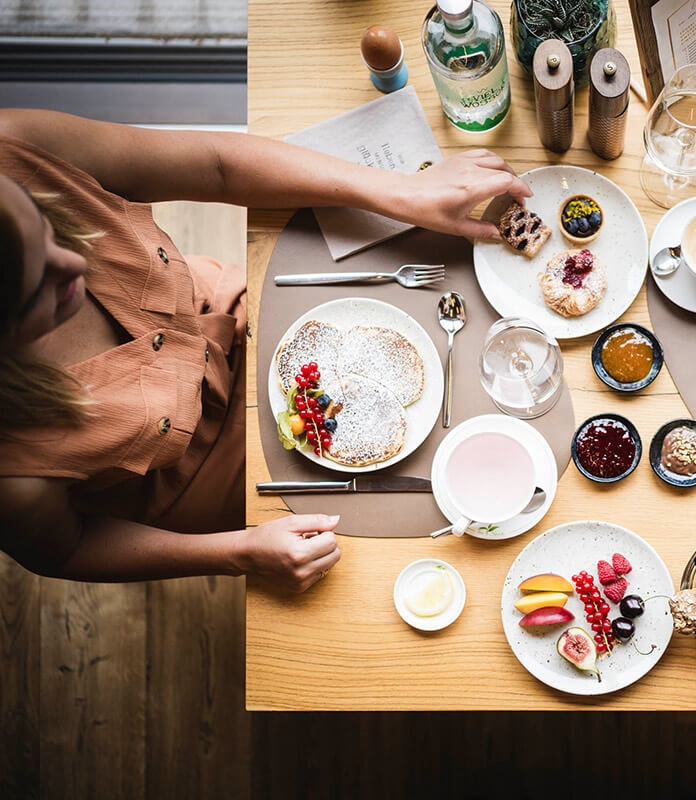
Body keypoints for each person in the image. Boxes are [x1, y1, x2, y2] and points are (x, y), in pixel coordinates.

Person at [0, 109, 530, 591]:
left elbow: (216, 165)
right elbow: (64, 549)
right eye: (40, 286)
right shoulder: (11, 464)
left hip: (223, 312)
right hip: (193, 475)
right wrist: (241, 554)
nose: (75, 263)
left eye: (51, 231)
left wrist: (402, 192)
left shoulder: (13, 149)